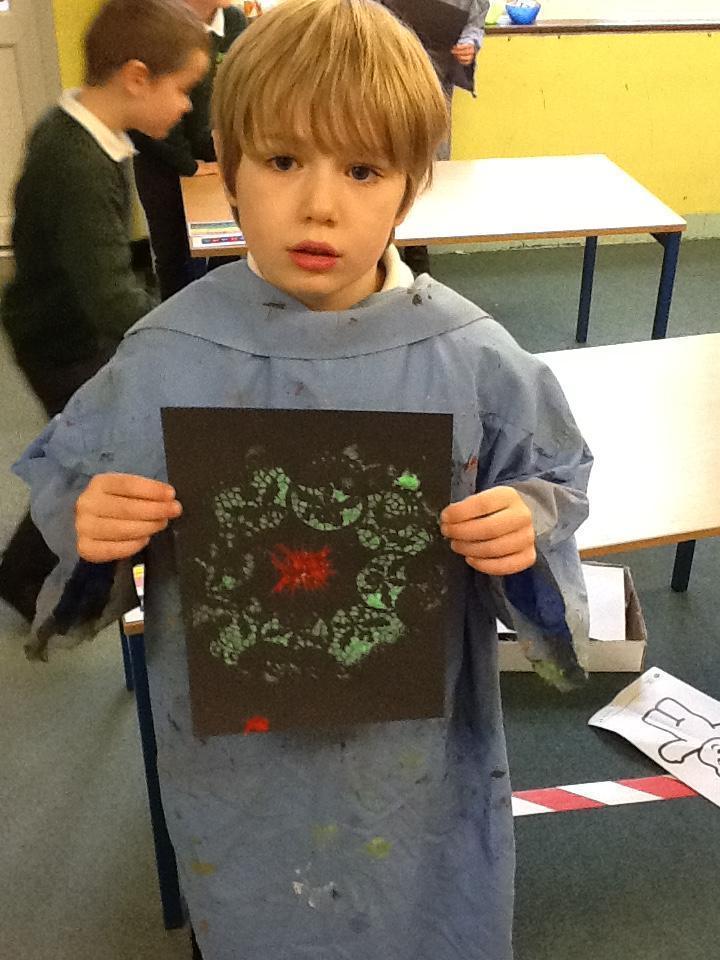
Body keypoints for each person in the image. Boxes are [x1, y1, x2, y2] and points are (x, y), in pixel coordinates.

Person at [14, 2, 591, 958]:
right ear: (229, 167)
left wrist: (523, 522)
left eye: (363, 170)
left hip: (413, 763)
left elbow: (553, 484)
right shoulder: (167, 356)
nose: (320, 205)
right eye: (283, 161)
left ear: (407, 189)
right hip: (242, 771)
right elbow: (72, 490)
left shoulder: (475, 361)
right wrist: (92, 522)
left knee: (420, 917)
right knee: (260, 917)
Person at [0, 0, 209, 624]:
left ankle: (23, 571)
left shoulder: (87, 130)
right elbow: (110, 297)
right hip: (62, 340)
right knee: (89, 456)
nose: (186, 107)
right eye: (182, 90)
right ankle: (26, 577)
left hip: (68, 327)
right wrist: (180, 335)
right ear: (137, 77)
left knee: (86, 452)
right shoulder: (76, 162)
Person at [130, 0, 247, 301]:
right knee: (175, 257)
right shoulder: (156, 26)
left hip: (217, 161)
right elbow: (147, 115)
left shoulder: (234, 22)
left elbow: (241, 88)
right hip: (163, 163)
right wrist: (188, 164)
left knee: (227, 249)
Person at [384, 0, 490, 275]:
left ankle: (418, 250)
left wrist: (469, 44)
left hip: (436, 82)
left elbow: (474, 23)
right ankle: (381, 244)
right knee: (386, 159)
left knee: (428, 167)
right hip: (387, 78)